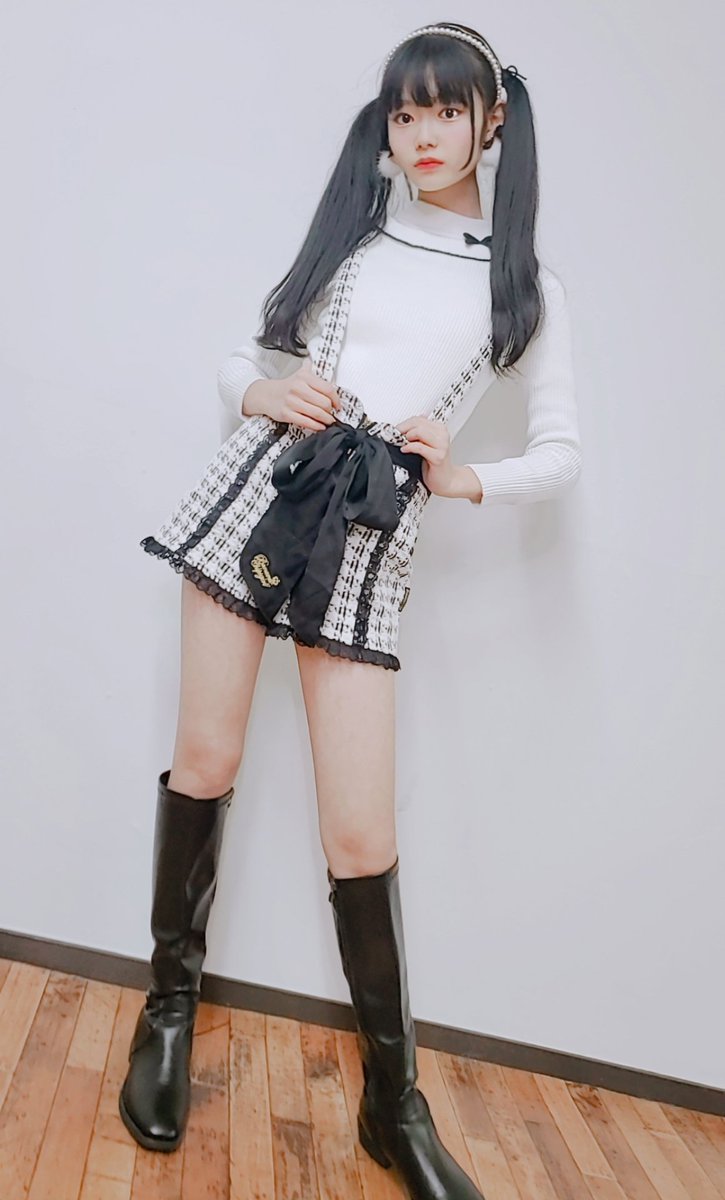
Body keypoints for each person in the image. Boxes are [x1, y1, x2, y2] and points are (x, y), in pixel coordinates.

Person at [118, 21, 582, 1200]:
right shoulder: (357, 239)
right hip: (262, 492)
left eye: (444, 110)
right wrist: (262, 392)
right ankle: (167, 1012)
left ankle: (392, 1102)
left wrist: (458, 476)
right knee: (205, 760)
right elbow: (244, 356)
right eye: (403, 112)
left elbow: (559, 454)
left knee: (361, 837)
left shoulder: (521, 288)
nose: (421, 134)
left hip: (372, 531)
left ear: (491, 120)